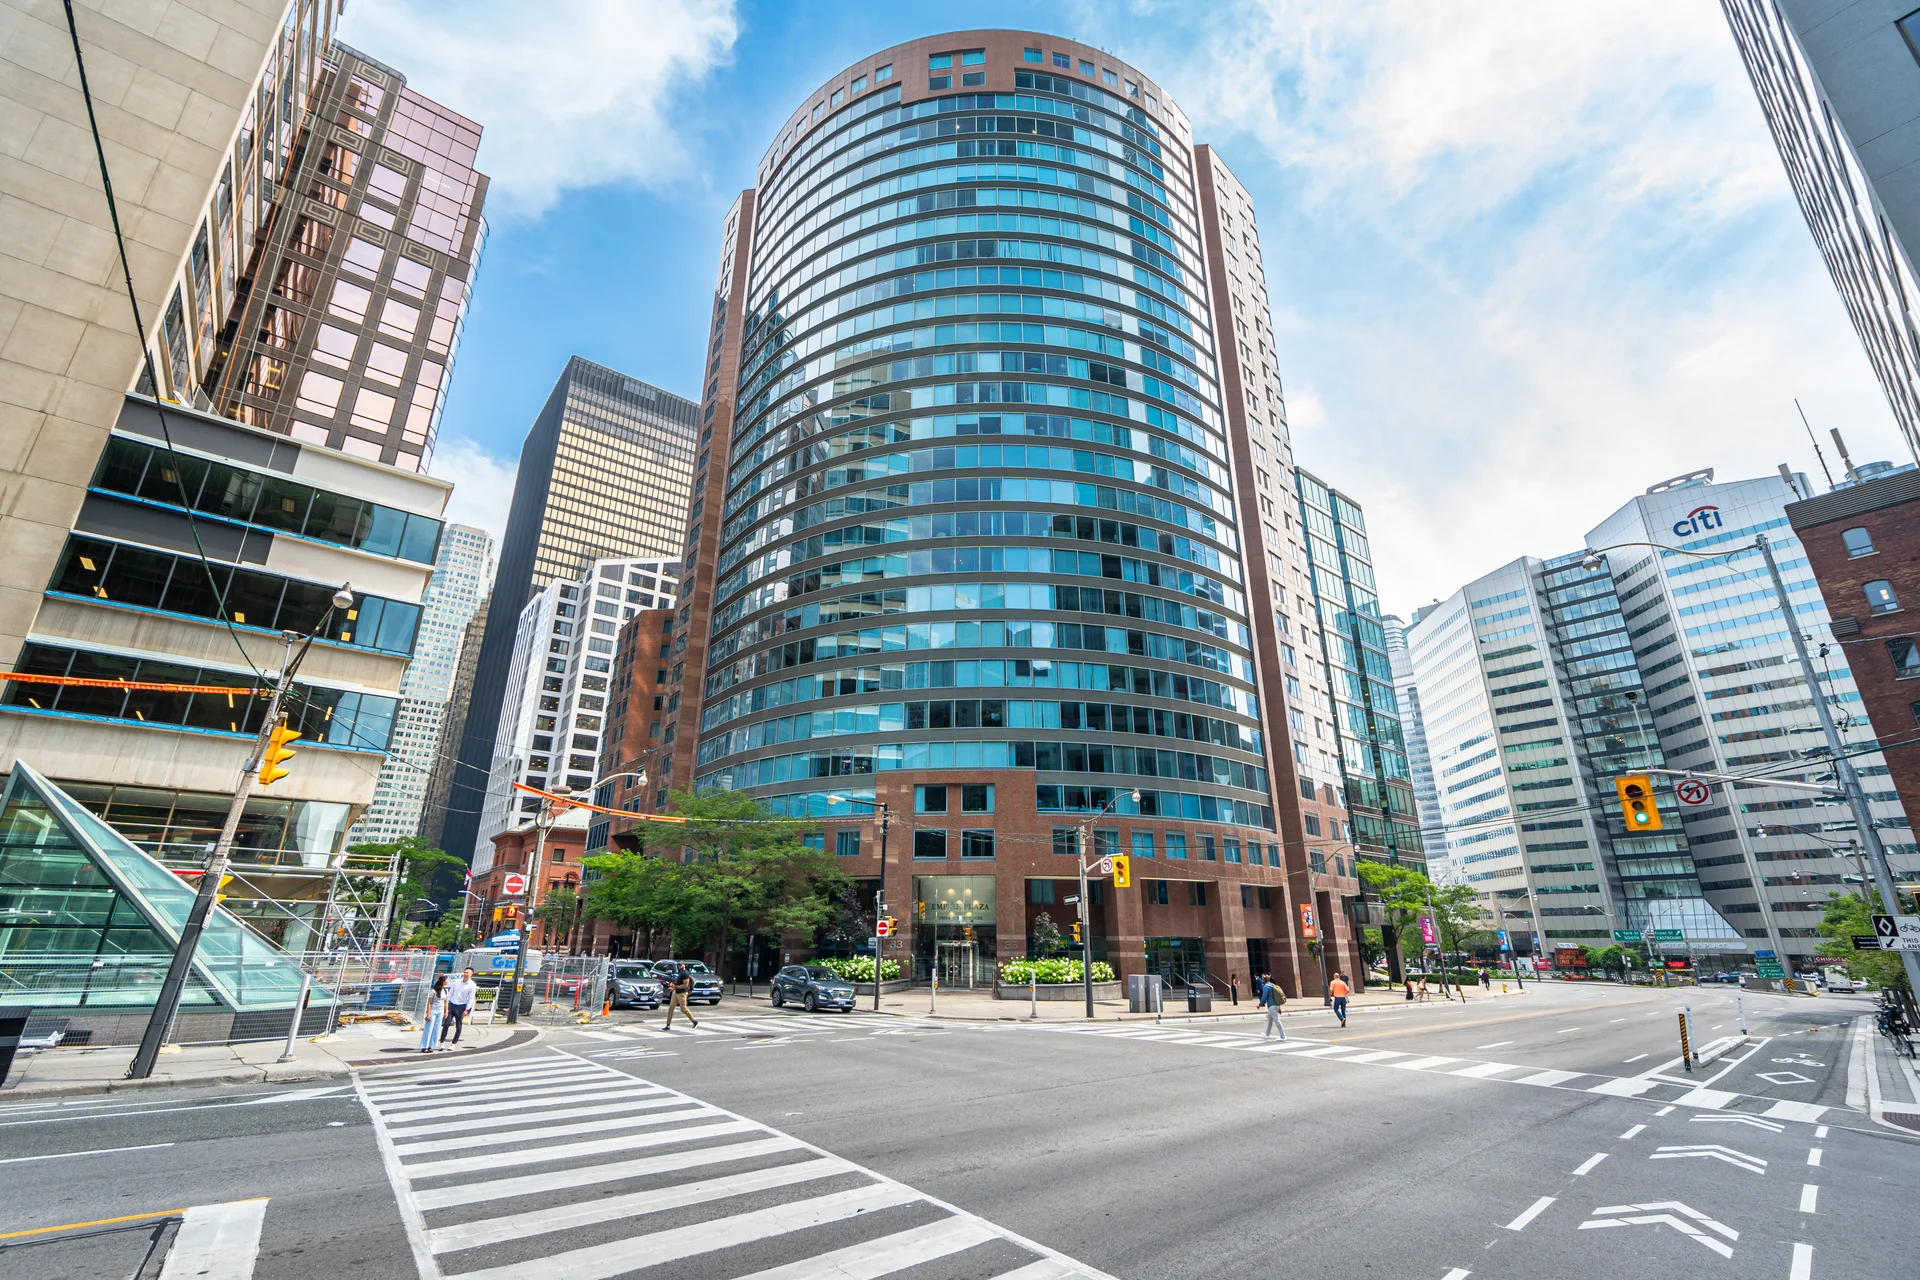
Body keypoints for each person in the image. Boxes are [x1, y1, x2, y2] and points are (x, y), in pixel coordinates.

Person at [442, 967, 477, 1046]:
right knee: (446, 1023)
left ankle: (453, 1043)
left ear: (471, 974)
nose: (466, 974)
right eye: (465, 972)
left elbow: (471, 998)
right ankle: (442, 1042)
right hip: (452, 1004)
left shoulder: (472, 985)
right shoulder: (457, 982)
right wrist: (447, 1004)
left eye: (468, 973)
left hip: (462, 1006)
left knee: (458, 1026)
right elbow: (450, 993)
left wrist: (467, 1009)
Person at [419, 973, 448, 1053]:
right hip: (433, 1010)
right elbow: (429, 1003)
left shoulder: (445, 991)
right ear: (443, 981)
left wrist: (446, 1011)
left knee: (436, 1029)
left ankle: (430, 1045)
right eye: (446, 980)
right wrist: (428, 1013)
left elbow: (446, 1002)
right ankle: (424, 1046)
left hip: (440, 1011)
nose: (447, 982)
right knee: (429, 1028)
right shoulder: (433, 991)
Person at [664, 962, 698, 1030]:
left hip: (682, 993)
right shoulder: (681, 973)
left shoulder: (685, 973)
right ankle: (668, 1025)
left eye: (681, 965)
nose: (680, 966)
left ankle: (694, 1022)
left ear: (684, 965)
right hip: (676, 992)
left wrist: (675, 987)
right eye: (679, 965)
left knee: (683, 1009)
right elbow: (678, 982)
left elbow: (685, 985)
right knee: (671, 1008)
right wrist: (672, 984)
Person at [1261, 974, 1288, 1039]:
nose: (1262, 980)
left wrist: (1260, 1003)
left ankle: (1283, 1036)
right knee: (1270, 1020)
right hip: (1276, 1004)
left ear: (1264, 980)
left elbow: (1264, 997)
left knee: (1277, 1020)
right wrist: (1279, 1008)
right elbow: (1276, 996)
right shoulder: (1273, 985)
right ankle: (1267, 1034)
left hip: (1271, 1005)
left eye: (1262, 979)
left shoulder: (1266, 987)